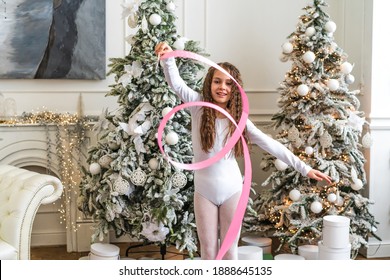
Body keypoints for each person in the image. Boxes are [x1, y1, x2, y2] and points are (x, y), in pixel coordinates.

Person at [155, 42, 332, 260]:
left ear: (235, 89)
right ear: (209, 83)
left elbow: (270, 143)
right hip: (204, 192)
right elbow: (177, 84)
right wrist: (168, 58)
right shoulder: (198, 105)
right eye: (217, 81)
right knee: (208, 252)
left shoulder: (240, 121)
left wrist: (305, 169)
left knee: (230, 252)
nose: (222, 87)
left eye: (229, 84)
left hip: (232, 191)